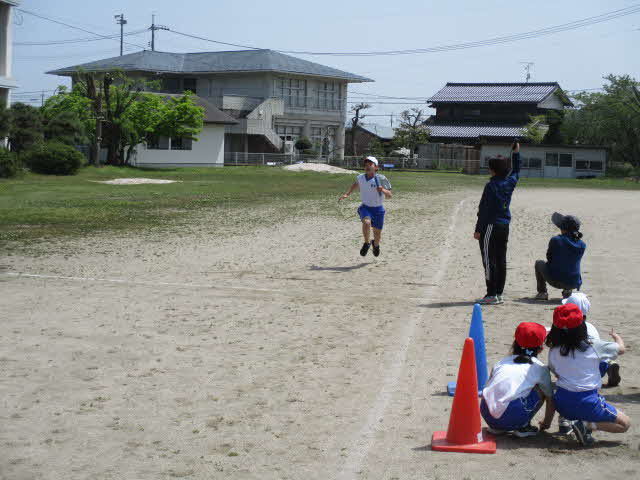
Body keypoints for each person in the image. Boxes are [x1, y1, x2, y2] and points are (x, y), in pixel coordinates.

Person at [547, 304, 630, 446]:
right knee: (625, 424)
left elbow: (555, 371)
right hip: (587, 402)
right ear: (582, 325)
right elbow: (621, 349)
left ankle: (567, 420)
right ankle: (587, 425)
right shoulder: (593, 345)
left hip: (562, 403)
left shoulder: (554, 350)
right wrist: (617, 338)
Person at [480, 322, 555, 437]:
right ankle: (523, 426)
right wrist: (546, 423)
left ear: (515, 343)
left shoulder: (501, 363)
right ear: (540, 349)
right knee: (542, 389)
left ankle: (497, 427)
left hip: (487, 412)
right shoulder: (540, 368)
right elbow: (550, 399)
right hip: (512, 415)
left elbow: (488, 386)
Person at [473, 140, 521, 305]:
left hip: (490, 226)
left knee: (489, 260)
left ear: (492, 169)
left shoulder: (491, 186)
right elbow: (516, 171)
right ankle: (498, 293)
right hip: (504, 226)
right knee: (501, 259)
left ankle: (491, 293)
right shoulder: (510, 182)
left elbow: (484, 210)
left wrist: (478, 229)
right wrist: (516, 153)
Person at [562, 292, 621, 388]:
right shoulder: (591, 327)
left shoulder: (562, 328)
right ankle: (608, 364)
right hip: (594, 371)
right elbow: (620, 349)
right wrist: (616, 337)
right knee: (599, 355)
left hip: (570, 372)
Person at [339, 156, 392, 257]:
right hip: (366, 207)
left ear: (376, 167)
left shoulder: (381, 179)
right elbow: (355, 184)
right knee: (367, 223)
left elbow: (390, 195)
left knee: (377, 234)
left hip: (378, 209)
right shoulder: (361, 177)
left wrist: (383, 190)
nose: (367, 167)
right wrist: (347, 194)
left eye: (370, 165)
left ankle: (375, 245)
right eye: (365, 165)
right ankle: (367, 243)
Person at [534, 212, 586, 301]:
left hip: (557, 280)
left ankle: (542, 292)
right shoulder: (582, 244)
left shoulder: (556, 240)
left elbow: (549, 257)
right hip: (574, 282)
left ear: (563, 228)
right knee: (570, 265)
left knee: (539, 263)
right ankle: (567, 292)